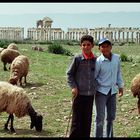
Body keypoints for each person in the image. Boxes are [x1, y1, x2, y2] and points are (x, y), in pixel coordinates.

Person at [66, 35, 96, 138]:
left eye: (88, 45)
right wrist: (73, 87)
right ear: (80, 46)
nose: (86, 47)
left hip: (90, 95)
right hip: (78, 94)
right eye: (84, 45)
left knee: (87, 121)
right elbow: (69, 74)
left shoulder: (95, 60)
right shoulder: (77, 59)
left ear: (92, 45)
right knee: (76, 121)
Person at [94, 38, 124, 138]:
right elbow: (95, 76)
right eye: (103, 46)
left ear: (111, 47)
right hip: (101, 92)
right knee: (100, 118)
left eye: (107, 46)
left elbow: (118, 73)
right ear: (99, 49)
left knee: (111, 117)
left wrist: (120, 86)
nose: (105, 48)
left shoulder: (116, 58)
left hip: (112, 91)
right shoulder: (98, 61)